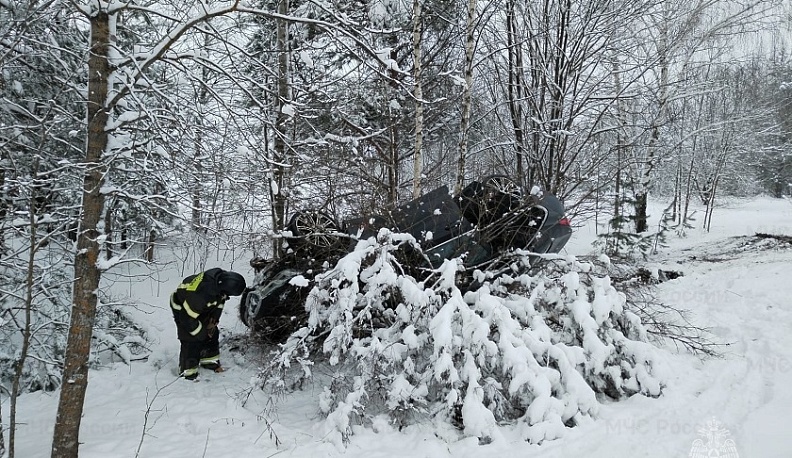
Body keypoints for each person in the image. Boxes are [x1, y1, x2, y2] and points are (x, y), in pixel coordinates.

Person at [170, 267, 246, 380]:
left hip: (202, 306)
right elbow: (187, 319)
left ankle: (209, 361)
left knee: (212, 332)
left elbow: (220, 302)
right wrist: (201, 334)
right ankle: (188, 372)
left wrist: (213, 320)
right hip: (183, 308)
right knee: (191, 338)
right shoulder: (201, 294)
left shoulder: (220, 283)